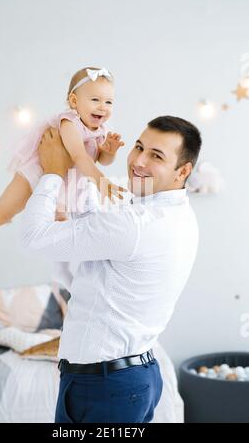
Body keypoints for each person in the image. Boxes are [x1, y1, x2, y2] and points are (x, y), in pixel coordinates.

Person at [21, 115, 202, 423]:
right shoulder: (172, 213)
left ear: (182, 171)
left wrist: (51, 174)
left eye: (156, 156)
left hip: (104, 387)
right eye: (139, 147)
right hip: (132, 377)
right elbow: (92, 281)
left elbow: (33, 237)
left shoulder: (136, 224)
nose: (138, 162)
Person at [0, 66, 125, 277]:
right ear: (74, 101)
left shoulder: (102, 130)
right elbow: (78, 155)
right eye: (96, 100)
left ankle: (60, 270)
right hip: (39, 172)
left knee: (61, 226)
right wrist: (101, 182)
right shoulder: (69, 122)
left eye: (109, 102)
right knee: (2, 213)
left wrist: (109, 152)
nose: (103, 107)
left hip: (65, 182)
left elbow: (99, 160)